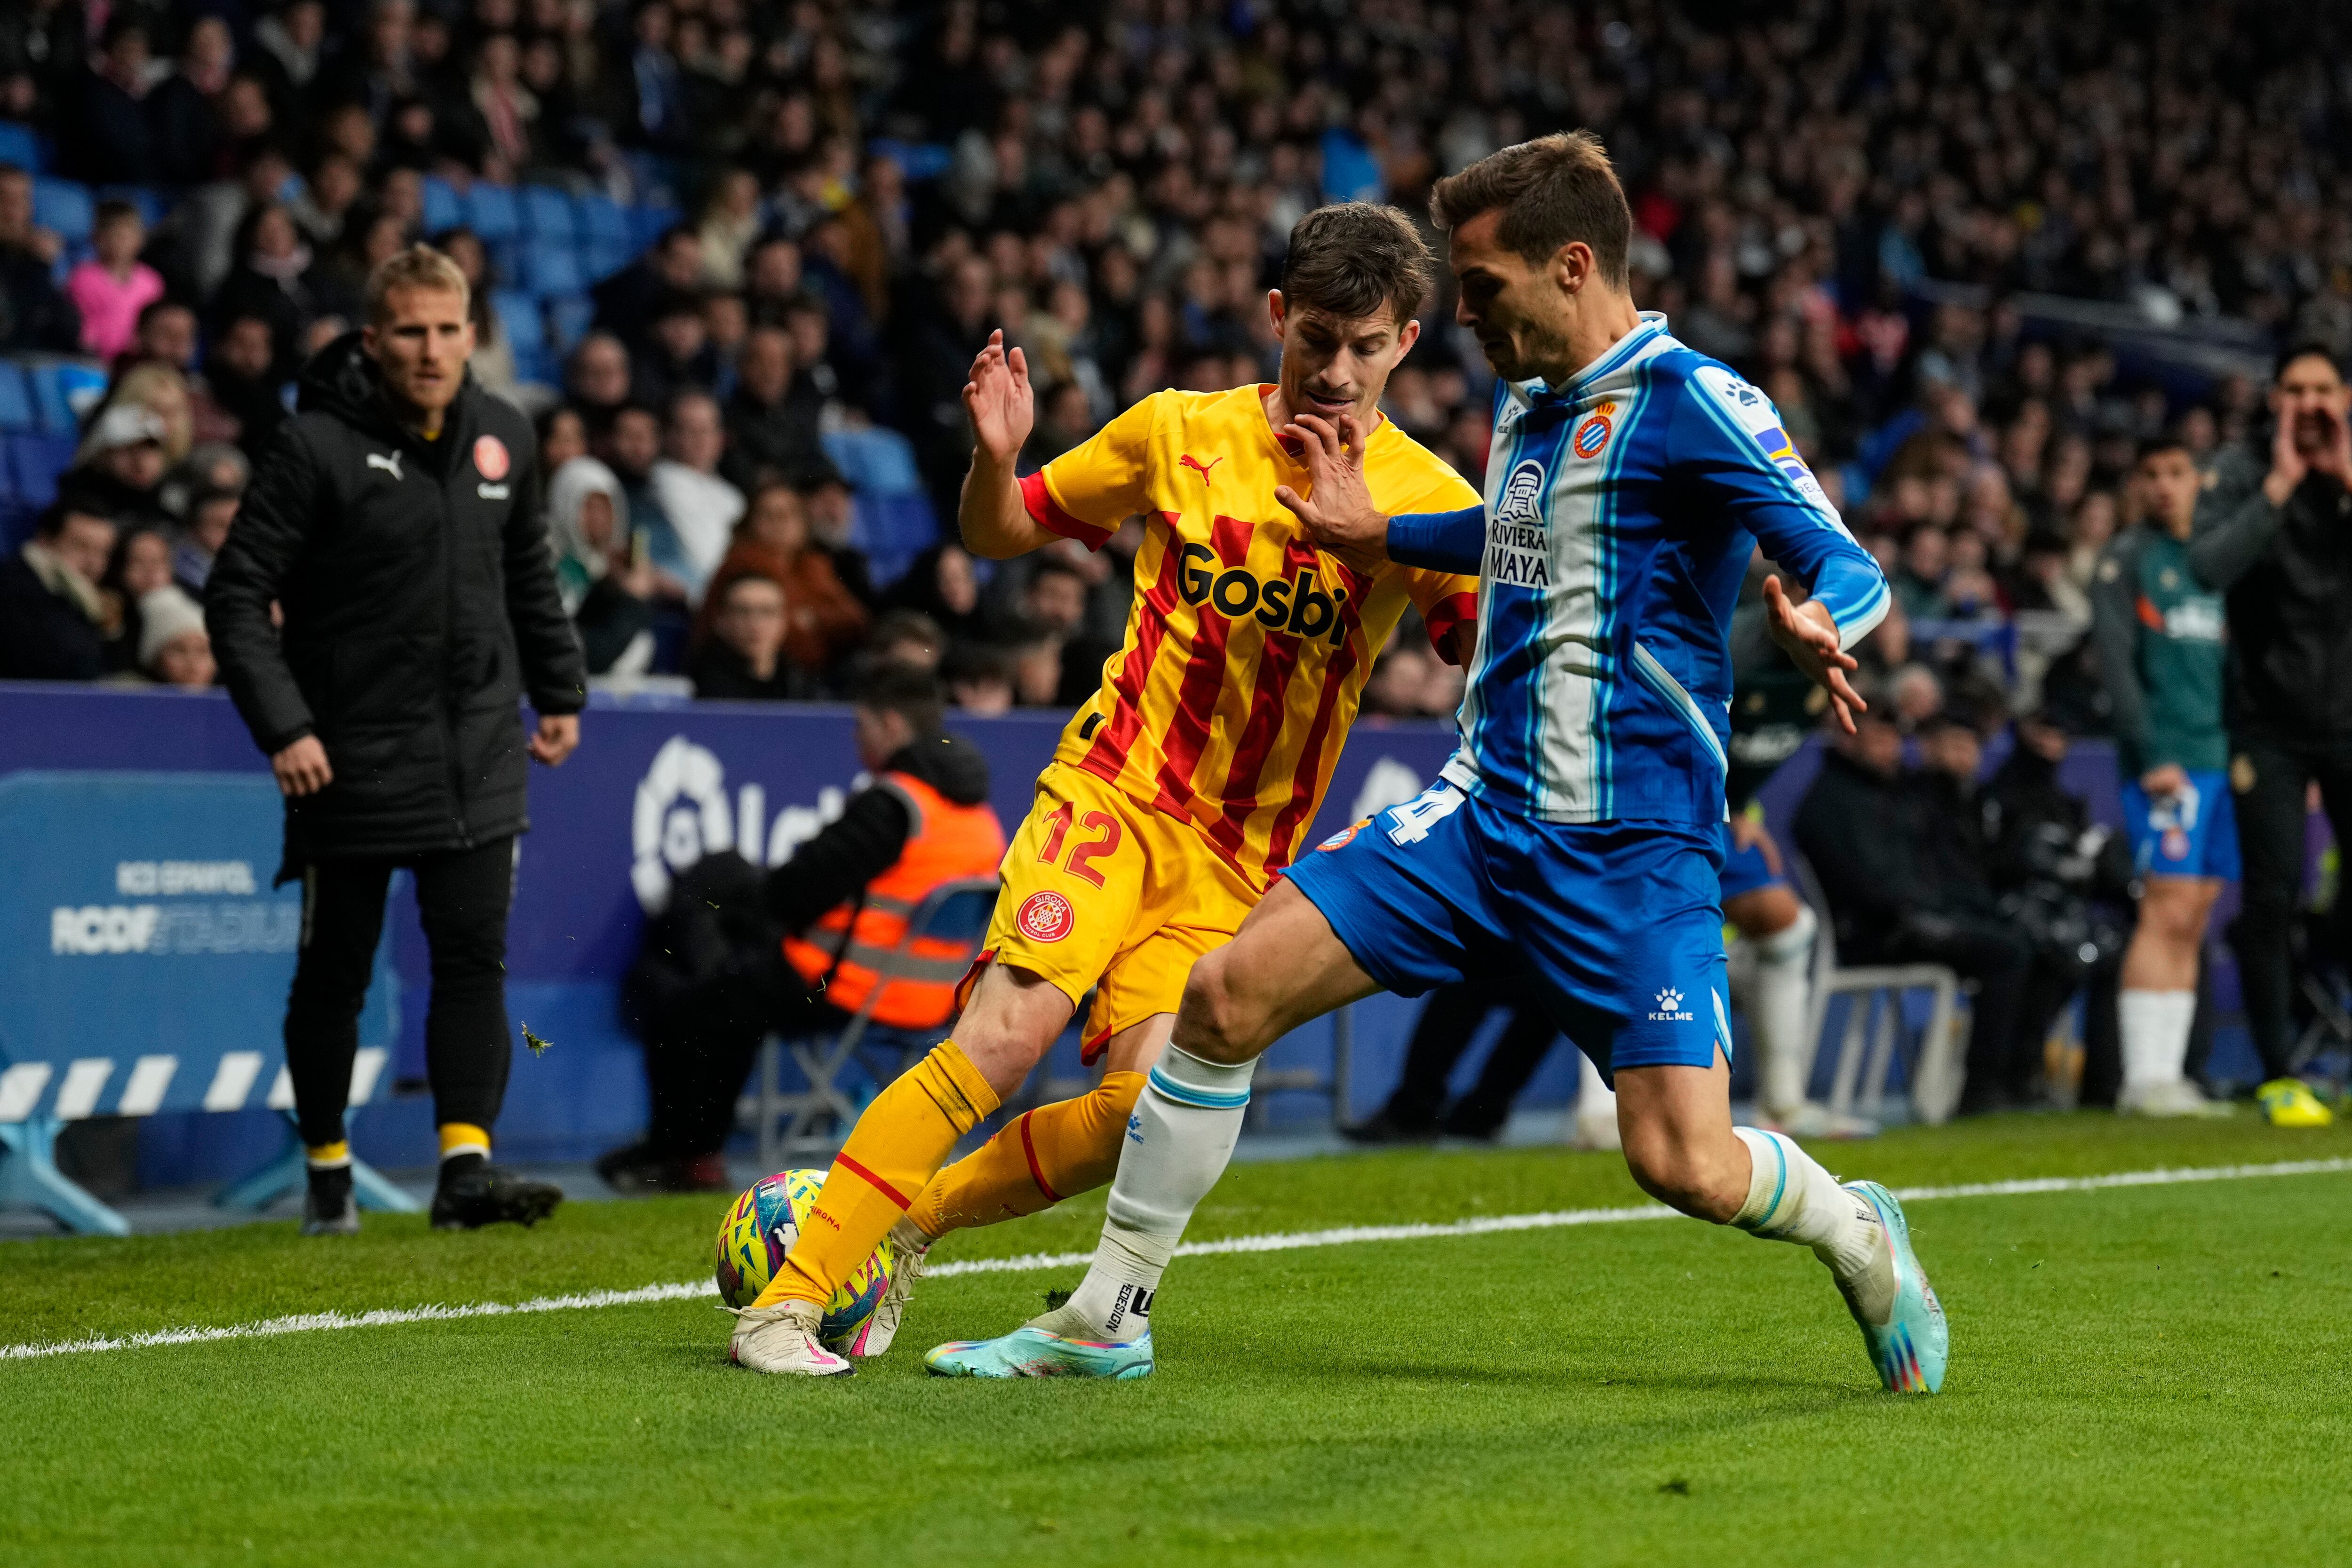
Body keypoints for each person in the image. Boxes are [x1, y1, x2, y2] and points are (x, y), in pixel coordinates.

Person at [920, 135, 1942, 1394]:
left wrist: (1824, 617)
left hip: (1631, 851)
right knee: (1226, 994)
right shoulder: (1532, 397)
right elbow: (1514, 527)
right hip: (1480, 817)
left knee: (1686, 1163)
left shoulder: (1696, 403)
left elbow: (1840, 554)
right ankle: (1107, 1311)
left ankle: (1857, 1231)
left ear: (1574, 265)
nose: (1461, 314)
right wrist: (1381, 529)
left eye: (1483, 284)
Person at [725, 201, 1483, 1376]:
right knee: (1008, 1035)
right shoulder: (1177, 432)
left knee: (1147, 1112)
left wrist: (1390, 540)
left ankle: (909, 1223)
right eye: (1317, 336)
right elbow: (1001, 533)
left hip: (1239, 858)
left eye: (1366, 344)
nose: (1336, 370)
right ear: (1277, 317)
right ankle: (785, 1304)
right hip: (1116, 790)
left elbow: (1490, 640)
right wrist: (994, 459)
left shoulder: (1424, 493)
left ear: (1408, 342)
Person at [207, 245, 587, 1235]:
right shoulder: (313, 446)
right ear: (374, 341)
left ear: (473, 336)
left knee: (472, 961)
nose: (430, 350)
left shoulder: (505, 434)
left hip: (478, 751)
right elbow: (236, 594)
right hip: (350, 758)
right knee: (337, 969)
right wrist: (285, 726)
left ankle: (464, 1173)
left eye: (447, 330)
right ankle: (328, 1171)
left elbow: (530, 579)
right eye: (409, 332)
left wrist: (560, 688)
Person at [600, 665, 1006, 1191]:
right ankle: (688, 1154)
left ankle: (685, 1156)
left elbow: (795, 890)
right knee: (731, 989)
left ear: (889, 725)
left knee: (686, 996)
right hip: (930, 1000)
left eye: (861, 727)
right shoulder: (977, 812)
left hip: (846, 987)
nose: (858, 741)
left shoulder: (893, 804)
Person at [2187, 346, 2352, 1128]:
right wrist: (2282, 484)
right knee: (2272, 892)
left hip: (2347, 718)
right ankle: (2280, 1071)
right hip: (2268, 725)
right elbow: (2208, 566)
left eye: (2323, 390)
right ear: (2274, 396)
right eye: (2296, 389)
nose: (2310, 404)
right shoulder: (2242, 468)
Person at [2091, 436, 2238, 1116]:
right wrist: (2150, 754)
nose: (2163, 486)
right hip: (2168, 761)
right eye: (2150, 473)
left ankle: (2169, 1075)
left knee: (2197, 909)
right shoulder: (2127, 559)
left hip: (2217, 755)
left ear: (2199, 480)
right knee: (2166, 906)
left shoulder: (2210, 562)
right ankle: (2142, 1080)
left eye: (2176, 472)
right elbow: (2118, 667)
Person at [1719, 573, 1873, 1138]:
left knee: (1788, 927)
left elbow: (1742, 748)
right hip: (1649, 807)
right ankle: (1596, 1111)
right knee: (1631, 935)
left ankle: (1782, 1101)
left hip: (1714, 815)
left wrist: (1738, 810)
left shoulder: (1835, 657)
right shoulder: (1729, 647)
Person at [0, 500, 117, 681]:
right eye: (81, 546)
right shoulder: (14, 589)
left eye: (103, 553)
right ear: (45, 540)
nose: (94, 564)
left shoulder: (89, 600)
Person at [66, 200, 165, 363]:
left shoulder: (152, 282)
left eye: (127, 235)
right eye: (114, 235)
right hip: (95, 361)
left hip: (138, 363)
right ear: (97, 238)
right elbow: (80, 329)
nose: (121, 242)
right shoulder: (83, 279)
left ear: (140, 239)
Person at [688, 571, 811, 701]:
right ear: (721, 620)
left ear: (785, 621)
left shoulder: (801, 684)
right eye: (742, 612)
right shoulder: (695, 688)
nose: (755, 625)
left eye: (767, 611)